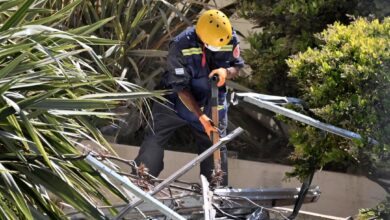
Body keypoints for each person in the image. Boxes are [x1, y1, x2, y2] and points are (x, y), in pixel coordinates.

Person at [134, 9, 244, 186]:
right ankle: (142, 183)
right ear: (202, 38)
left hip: (212, 101)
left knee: (215, 148)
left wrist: (226, 72)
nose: (218, 47)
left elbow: (236, 66)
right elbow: (180, 88)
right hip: (175, 100)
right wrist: (202, 118)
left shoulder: (229, 36)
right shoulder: (180, 45)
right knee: (153, 141)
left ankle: (216, 195)